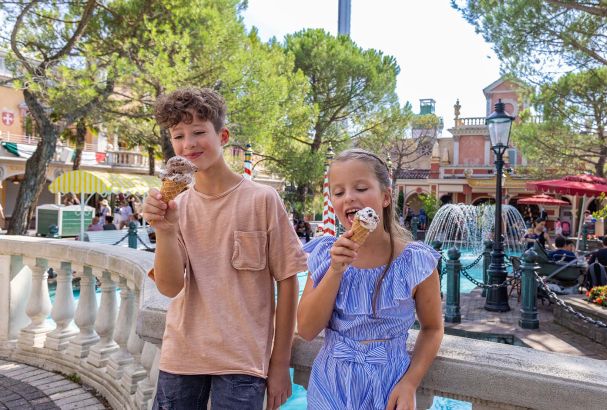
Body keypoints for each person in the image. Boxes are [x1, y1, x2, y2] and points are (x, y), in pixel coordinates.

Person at [142, 87, 306, 409]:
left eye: (199, 132)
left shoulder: (262, 200)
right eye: (178, 135)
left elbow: (288, 281)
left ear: (223, 135)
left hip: (242, 362)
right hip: (181, 357)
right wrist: (165, 229)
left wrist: (279, 363)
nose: (188, 144)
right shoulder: (176, 205)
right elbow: (170, 287)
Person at [297, 149, 443, 410]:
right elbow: (307, 330)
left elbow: (432, 328)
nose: (349, 197)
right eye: (338, 192)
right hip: (331, 384)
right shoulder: (324, 255)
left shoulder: (416, 262)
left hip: (389, 384)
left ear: (386, 197)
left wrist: (410, 382)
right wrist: (335, 269)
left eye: (361, 188)